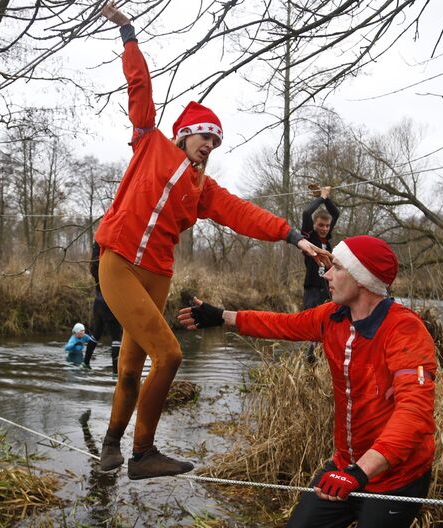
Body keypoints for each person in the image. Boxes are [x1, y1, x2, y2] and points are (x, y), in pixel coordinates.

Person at [95, 2, 332, 481]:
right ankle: (143, 454)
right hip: (118, 261)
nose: (208, 146)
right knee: (171, 354)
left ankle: (109, 448)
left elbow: (246, 215)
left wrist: (295, 238)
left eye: (215, 142)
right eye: (203, 137)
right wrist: (128, 34)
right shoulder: (150, 143)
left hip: (157, 274)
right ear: (184, 136)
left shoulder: (204, 190)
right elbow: (139, 86)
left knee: (130, 368)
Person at [178, 236, 436, 528]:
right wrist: (220, 316)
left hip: (395, 477)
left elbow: (414, 415)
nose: (326, 275)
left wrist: (361, 473)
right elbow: (282, 324)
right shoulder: (333, 316)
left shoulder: (405, 330)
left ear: (363, 279)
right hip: (345, 465)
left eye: (336, 267)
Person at [301, 185, 340, 363]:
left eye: (326, 226)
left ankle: (322, 358)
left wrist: (326, 198)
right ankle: (308, 359)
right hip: (312, 289)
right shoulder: (310, 238)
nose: (324, 228)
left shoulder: (327, 240)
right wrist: (320, 198)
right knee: (310, 325)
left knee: (326, 325)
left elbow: (336, 213)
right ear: (315, 226)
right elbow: (306, 213)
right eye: (320, 225)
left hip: (326, 289)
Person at [83, 241, 123, 375]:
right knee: (116, 337)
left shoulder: (94, 267)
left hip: (98, 303)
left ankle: (85, 363)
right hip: (110, 303)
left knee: (96, 334)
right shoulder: (110, 266)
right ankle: (115, 373)